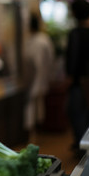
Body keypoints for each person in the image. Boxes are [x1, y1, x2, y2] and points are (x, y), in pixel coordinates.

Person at [65, 0, 89, 152]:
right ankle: (88, 145)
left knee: (76, 112)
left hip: (79, 81)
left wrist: (70, 77)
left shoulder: (76, 33)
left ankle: (83, 146)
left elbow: (73, 58)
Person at [23, 13, 55, 142]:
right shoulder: (44, 39)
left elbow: (38, 64)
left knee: (33, 106)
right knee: (37, 106)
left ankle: (33, 133)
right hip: (40, 79)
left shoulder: (37, 41)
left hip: (36, 79)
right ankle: (35, 131)